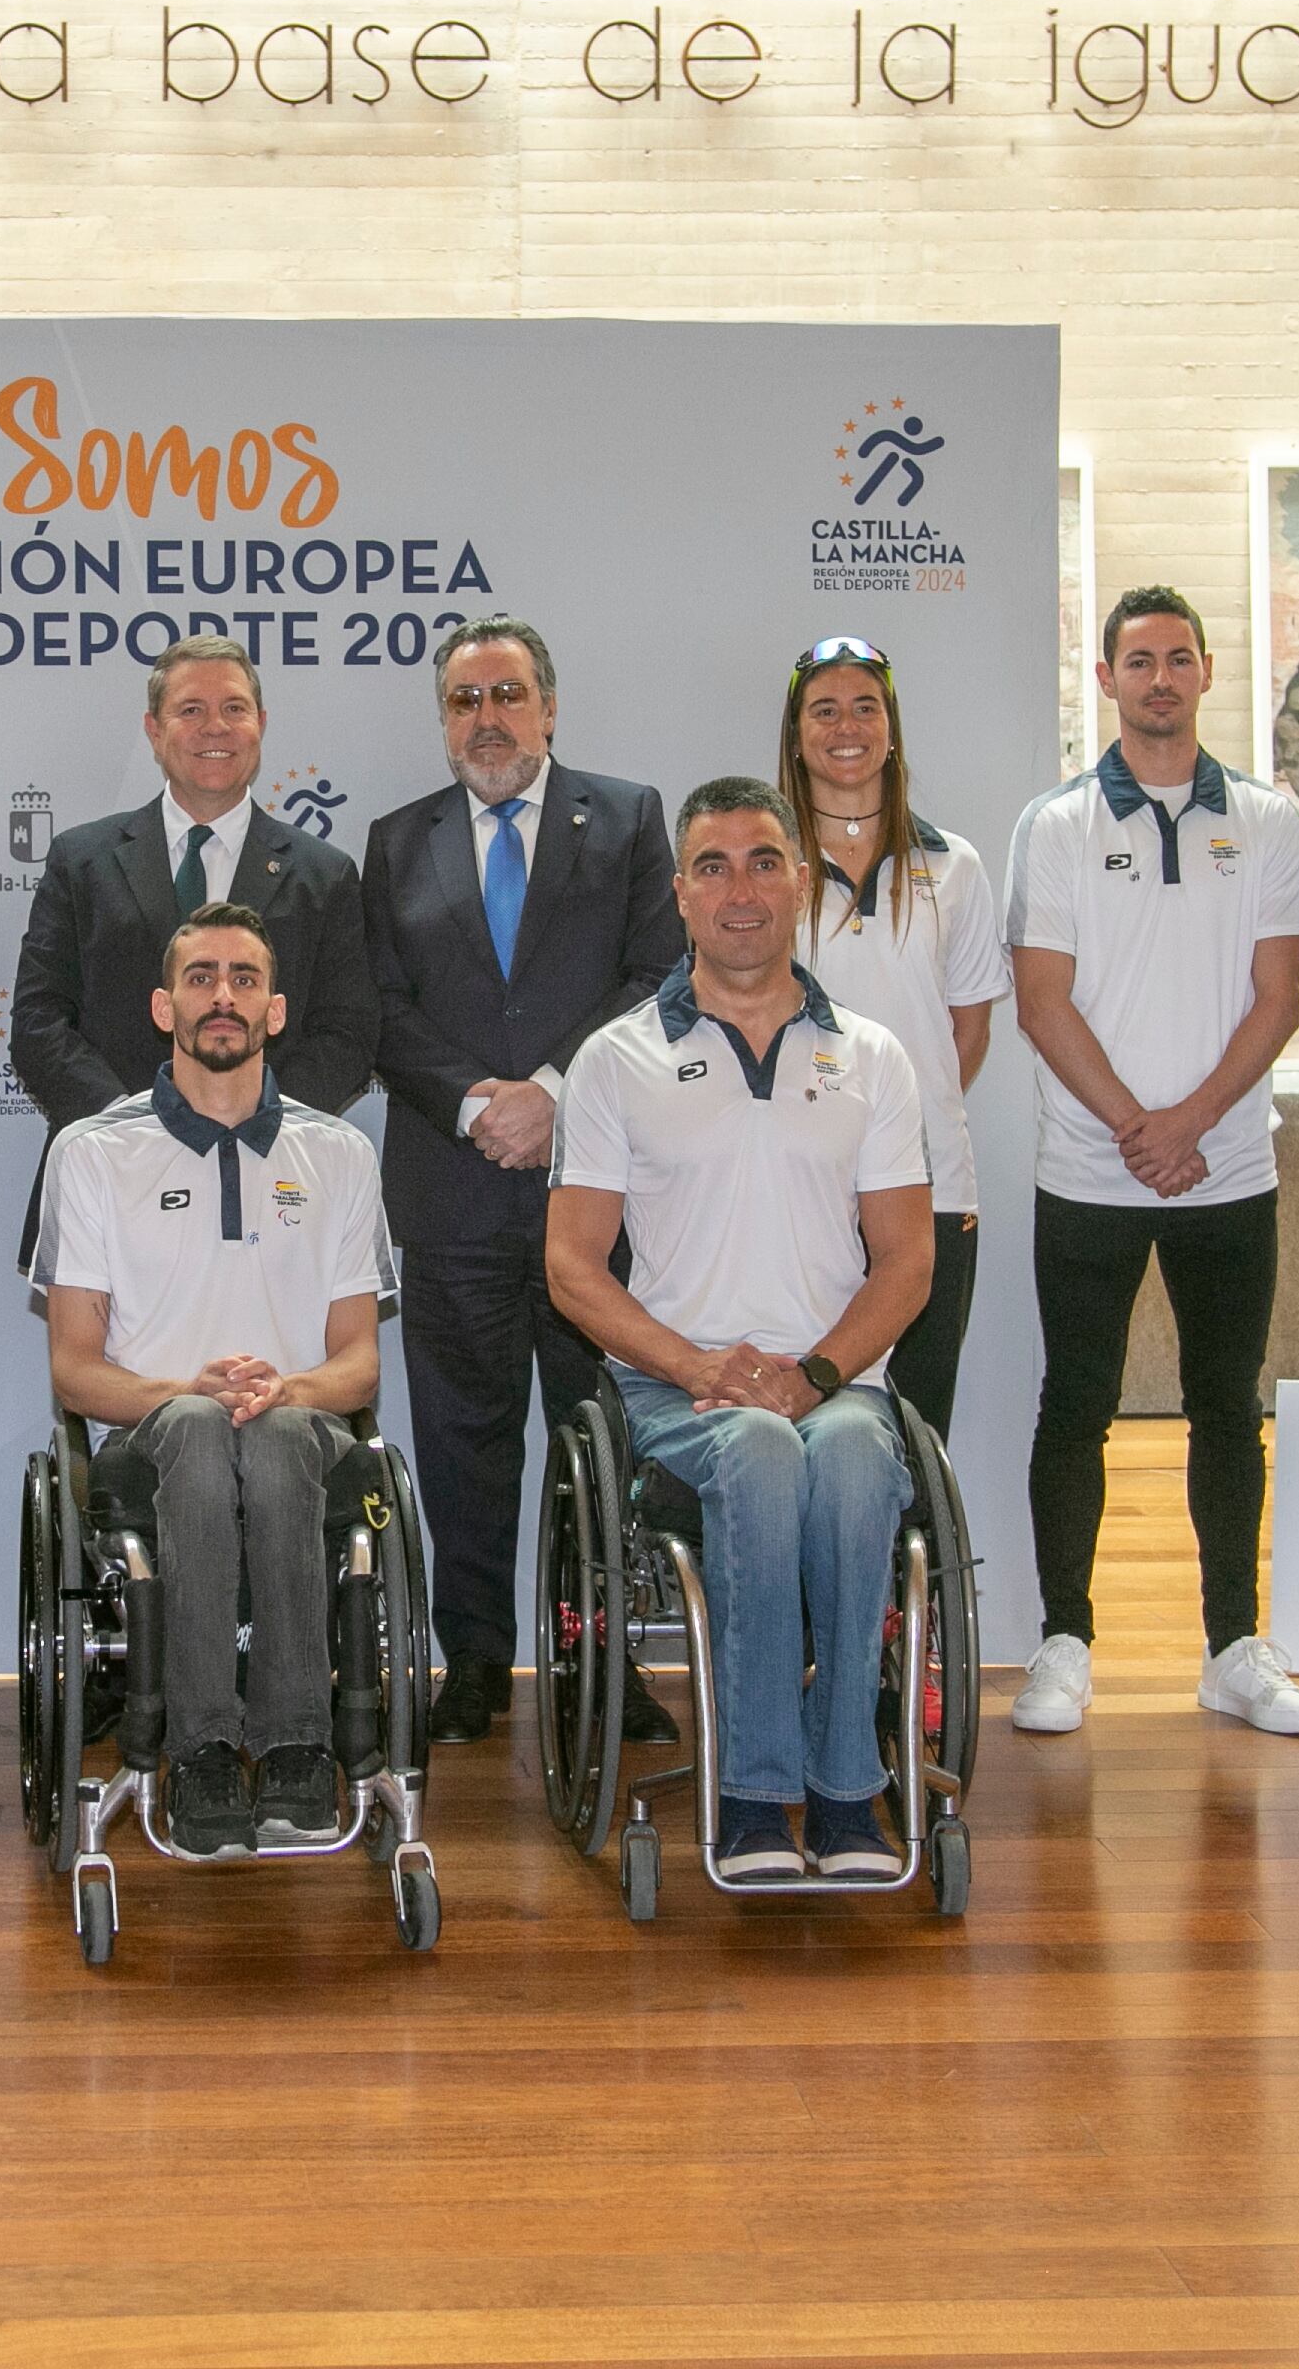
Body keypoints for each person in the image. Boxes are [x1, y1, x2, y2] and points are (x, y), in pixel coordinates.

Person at [544, 779, 938, 1882]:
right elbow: (572, 1266)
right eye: (712, 867)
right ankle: (759, 1795)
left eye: (765, 862)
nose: (742, 891)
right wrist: (699, 1366)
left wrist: (815, 1375)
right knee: (760, 1453)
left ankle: (847, 1787)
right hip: (678, 1390)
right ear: (679, 894)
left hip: (836, 1382)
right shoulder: (616, 1058)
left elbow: (907, 1261)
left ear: (801, 884)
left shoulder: (873, 1055)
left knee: (861, 1460)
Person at [1005, 584, 1299, 1739]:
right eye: (1136, 660)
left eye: (1177, 658)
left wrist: (1189, 1121)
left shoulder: (1271, 819)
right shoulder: (1053, 825)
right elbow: (1042, 1005)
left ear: (1205, 675)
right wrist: (1138, 1129)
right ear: (1105, 679)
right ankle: (1064, 1643)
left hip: (1228, 1170)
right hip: (1088, 1174)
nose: (1158, 678)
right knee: (1076, 1407)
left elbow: (1279, 997)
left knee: (1224, 1409)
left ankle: (1234, 1647)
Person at [359, 615, 681, 1746]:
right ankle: (479, 1664)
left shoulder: (632, 818)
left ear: (549, 707)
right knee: (461, 1441)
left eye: (506, 695)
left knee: (604, 1440)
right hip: (451, 1189)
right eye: (462, 701)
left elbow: (658, 977)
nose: (484, 719)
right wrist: (475, 1106)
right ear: (442, 722)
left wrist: (553, 1090)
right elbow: (379, 1011)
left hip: (594, 1187)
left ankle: (606, 1664)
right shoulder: (395, 842)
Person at [34, 903, 394, 1862]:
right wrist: (182, 1391)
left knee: (270, 1434)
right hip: (155, 1434)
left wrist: (287, 1391)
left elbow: (359, 1361)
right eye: (201, 978)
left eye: (243, 979)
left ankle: (293, 1746)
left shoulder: (341, 1155)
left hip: (300, 1427)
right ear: (164, 1006)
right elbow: (74, 1369)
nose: (222, 996)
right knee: (198, 1425)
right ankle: (198, 1750)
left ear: (276, 1010)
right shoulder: (91, 1153)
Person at [11, 636, 377, 1231]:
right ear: (154, 730)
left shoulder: (323, 874)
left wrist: (260, 1121)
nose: (216, 728)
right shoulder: (82, 860)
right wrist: (132, 1127)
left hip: (273, 1182)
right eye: (191, 710)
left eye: (234, 709)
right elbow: (38, 1020)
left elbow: (349, 1032)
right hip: (113, 1176)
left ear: (260, 724)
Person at [777, 634, 1012, 1441]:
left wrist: (894, 1135)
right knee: (806, 1432)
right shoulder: (766, 869)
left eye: (866, 707)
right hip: (798, 1192)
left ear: (892, 726)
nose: (847, 727)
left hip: (931, 1188)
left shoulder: (954, 865)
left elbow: (967, 1031)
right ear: (796, 731)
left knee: (914, 1434)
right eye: (825, 709)